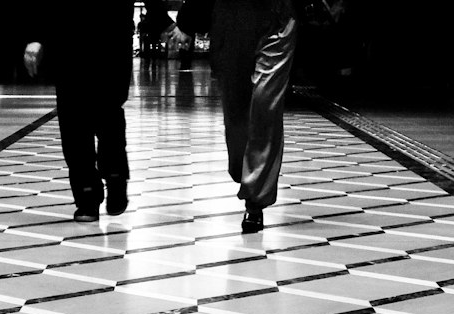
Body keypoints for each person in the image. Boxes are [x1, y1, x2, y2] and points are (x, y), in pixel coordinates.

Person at [23, 2, 175, 224]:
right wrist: (35, 37)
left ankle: (115, 176)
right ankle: (87, 194)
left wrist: (163, 21)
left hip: (110, 40)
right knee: (73, 120)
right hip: (68, 41)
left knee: (108, 114)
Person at [171, 0, 299, 233]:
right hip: (229, 18)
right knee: (236, 109)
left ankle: (255, 201)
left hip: (277, 18)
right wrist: (188, 19)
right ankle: (245, 171)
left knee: (264, 106)